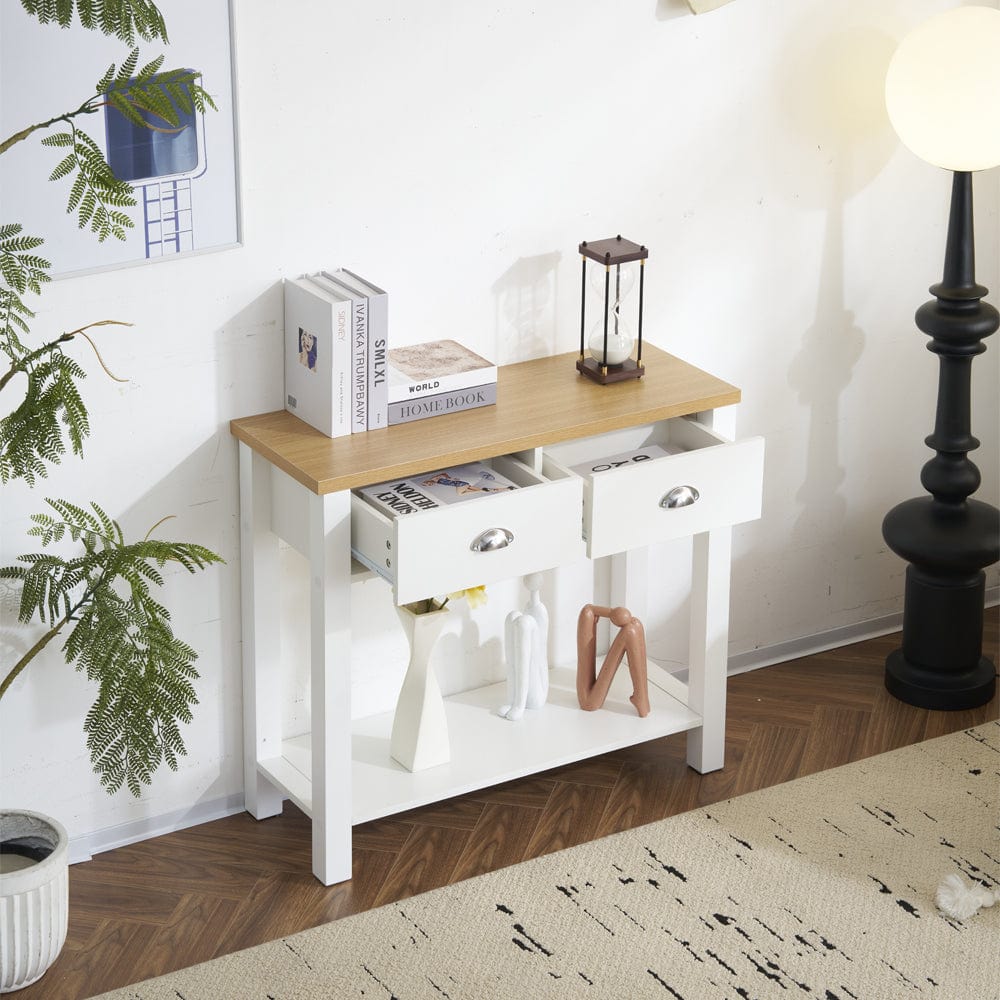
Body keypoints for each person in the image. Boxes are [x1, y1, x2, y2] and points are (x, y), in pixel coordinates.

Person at [576, 604, 650, 718]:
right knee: (629, 631)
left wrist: (612, 613)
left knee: (636, 623)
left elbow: (589, 608)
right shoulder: (586, 614)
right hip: (588, 700)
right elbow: (588, 610)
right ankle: (640, 697)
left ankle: (642, 697)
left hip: (593, 691)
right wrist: (613, 614)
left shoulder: (588, 611)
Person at [499, 573, 549, 721]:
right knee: (512, 616)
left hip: (536, 687)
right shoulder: (527, 607)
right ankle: (511, 700)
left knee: (524, 622)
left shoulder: (541, 611)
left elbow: (540, 651)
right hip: (525, 681)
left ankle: (519, 704)